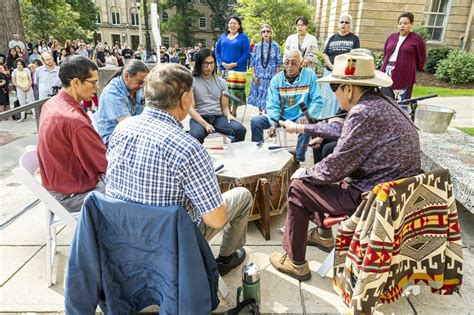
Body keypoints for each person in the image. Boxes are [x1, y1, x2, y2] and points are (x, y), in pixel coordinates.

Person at [269, 53, 421, 281]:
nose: (333, 93)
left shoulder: (363, 112)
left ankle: (295, 261)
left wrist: (304, 172)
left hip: (375, 199)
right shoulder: (381, 103)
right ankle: (322, 234)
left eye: (334, 87)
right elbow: (344, 130)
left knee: (299, 187)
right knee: (316, 177)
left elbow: (334, 169)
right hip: (398, 193)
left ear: (349, 88)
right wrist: (301, 129)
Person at [106, 63, 253, 276]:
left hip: (126, 236)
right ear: (185, 99)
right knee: (243, 196)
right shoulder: (188, 148)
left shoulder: (121, 129)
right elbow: (216, 220)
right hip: (171, 243)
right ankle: (226, 258)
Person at [37, 56, 107, 213]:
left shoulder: (51, 103)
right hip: (71, 196)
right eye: (93, 82)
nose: (97, 87)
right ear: (76, 82)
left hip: (56, 189)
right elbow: (105, 164)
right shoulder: (74, 121)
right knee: (132, 194)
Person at [250, 49, 323, 162]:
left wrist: (308, 115)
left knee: (307, 125)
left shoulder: (310, 76)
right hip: (281, 117)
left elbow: (317, 100)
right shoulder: (276, 79)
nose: (289, 66)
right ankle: (259, 156)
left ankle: (298, 160)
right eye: (287, 62)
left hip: (301, 116)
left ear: (301, 62)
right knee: (256, 121)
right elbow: (272, 104)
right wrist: (273, 122)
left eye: (293, 62)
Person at [189, 48, 247, 144]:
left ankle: (232, 155)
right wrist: (205, 124)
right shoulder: (192, 81)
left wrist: (229, 115)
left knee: (240, 130)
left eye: (211, 63)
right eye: (205, 63)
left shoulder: (221, 82)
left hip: (218, 117)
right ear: (199, 63)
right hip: (199, 117)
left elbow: (224, 107)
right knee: (196, 136)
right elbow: (191, 109)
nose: (209, 67)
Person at [95, 59, 149, 145]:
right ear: (126, 76)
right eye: (139, 82)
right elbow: (129, 125)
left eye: (144, 83)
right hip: (111, 139)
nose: (142, 86)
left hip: (131, 133)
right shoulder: (113, 93)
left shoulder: (136, 88)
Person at [320, 14, 360, 118]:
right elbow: (325, 53)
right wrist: (331, 65)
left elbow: (355, 56)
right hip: (330, 72)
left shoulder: (354, 39)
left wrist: (343, 69)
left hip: (344, 75)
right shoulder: (333, 37)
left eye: (346, 22)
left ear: (350, 25)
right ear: (338, 24)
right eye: (342, 22)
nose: (344, 24)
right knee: (327, 98)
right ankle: (325, 119)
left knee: (341, 99)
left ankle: (337, 120)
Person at [381, 12, 426, 101]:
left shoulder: (417, 39)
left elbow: (422, 57)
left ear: (411, 24)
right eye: (400, 23)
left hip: (405, 73)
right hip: (388, 70)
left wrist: (416, 67)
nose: (402, 26)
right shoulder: (391, 37)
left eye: (405, 23)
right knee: (385, 99)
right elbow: (385, 53)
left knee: (401, 101)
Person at [215, 15, 251, 117]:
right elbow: (217, 51)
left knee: (235, 91)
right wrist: (221, 63)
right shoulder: (222, 36)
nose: (232, 25)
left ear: (239, 25)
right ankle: (226, 110)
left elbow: (246, 53)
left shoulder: (243, 38)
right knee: (224, 90)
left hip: (238, 69)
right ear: (227, 25)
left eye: (235, 23)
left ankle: (233, 112)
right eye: (230, 23)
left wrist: (236, 63)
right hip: (223, 69)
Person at [247, 24, 282, 114]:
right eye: (263, 31)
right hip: (259, 77)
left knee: (269, 96)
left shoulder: (275, 46)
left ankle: (267, 113)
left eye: (268, 31)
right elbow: (253, 62)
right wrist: (254, 75)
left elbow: (278, 63)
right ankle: (259, 112)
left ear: (271, 33)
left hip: (271, 77)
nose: (266, 33)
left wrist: (276, 77)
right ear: (261, 34)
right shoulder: (257, 47)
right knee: (259, 95)